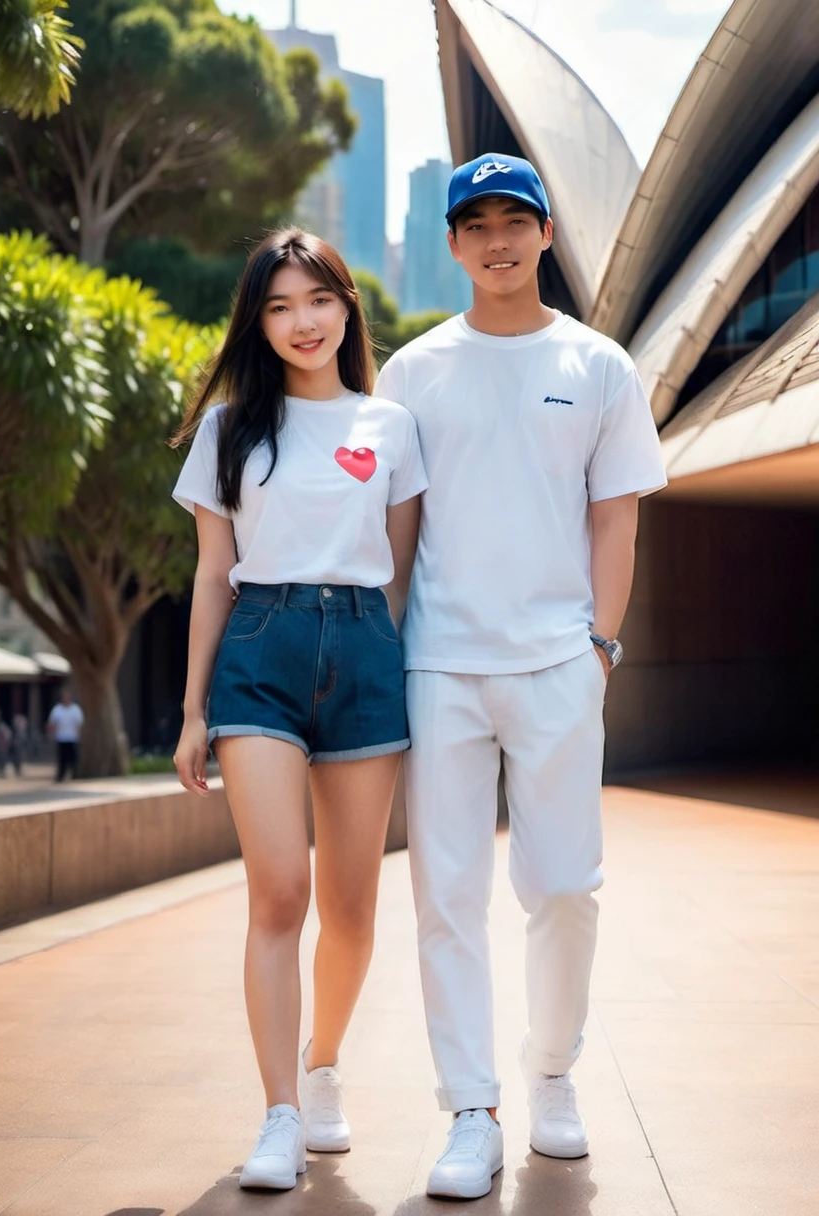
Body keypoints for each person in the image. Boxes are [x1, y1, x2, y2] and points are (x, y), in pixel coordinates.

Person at [375, 152, 667, 1200]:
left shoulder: (599, 366)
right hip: (439, 664)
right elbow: (395, 531)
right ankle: (469, 1108)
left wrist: (597, 647)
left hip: (557, 662)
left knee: (563, 888)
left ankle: (551, 1075)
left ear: (546, 233)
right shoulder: (410, 372)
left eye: (516, 220)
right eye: (475, 223)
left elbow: (614, 513)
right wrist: (388, 650)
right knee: (445, 895)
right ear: (452, 243)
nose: (496, 239)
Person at [171, 229, 427, 1192]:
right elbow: (209, 576)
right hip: (259, 651)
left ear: (346, 305)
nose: (299, 323)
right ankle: (279, 1112)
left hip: (364, 650)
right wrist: (196, 711)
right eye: (276, 307)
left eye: (314, 300)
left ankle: (323, 1066)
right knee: (281, 891)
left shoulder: (390, 427)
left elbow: (399, 576)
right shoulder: (228, 431)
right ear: (258, 322)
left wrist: (390, 663)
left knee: (353, 910)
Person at [46, 689, 84, 781]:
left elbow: (80, 724)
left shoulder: (76, 709)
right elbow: (52, 723)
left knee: (73, 759)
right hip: (61, 738)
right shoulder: (57, 710)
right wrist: (51, 733)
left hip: (73, 738)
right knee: (62, 759)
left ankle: (75, 775)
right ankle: (61, 776)